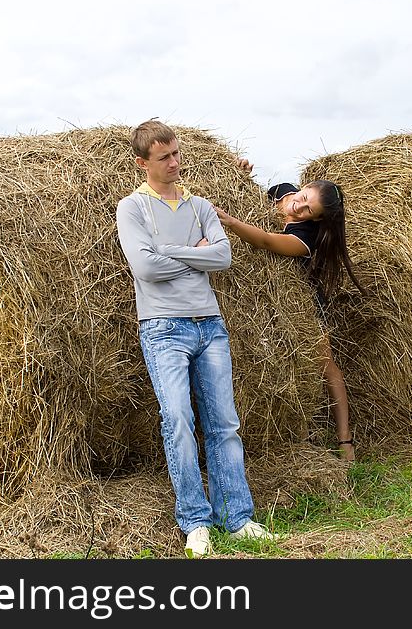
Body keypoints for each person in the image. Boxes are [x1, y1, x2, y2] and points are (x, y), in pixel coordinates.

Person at [115, 120, 277, 558]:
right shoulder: (132, 208)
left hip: (210, 325)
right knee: (179, 421)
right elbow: (144, 269)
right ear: (142, 163)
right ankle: (195, 520)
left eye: (177, 154)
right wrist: (193, 255)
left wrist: (168, 253)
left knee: (224, 423)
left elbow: (222, 255)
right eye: (164, 157)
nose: (174, 163)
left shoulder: (201, 205)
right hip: (164, 327)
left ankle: (237, 517)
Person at [215, 179, 364, 462]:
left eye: (308, 209)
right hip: (264, 297)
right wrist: (238, 173)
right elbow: (243, 194)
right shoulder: (282, 192)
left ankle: (345, 439)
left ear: (316, 219)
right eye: (304, 195)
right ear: (304, 185)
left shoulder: (304, 238)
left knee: (325, 364)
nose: (299, 205)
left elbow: (265, 240)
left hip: (301, 302)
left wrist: (230, 221)